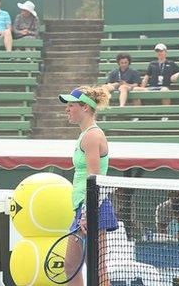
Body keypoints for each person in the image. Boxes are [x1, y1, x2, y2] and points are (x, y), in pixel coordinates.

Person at [59, 86, 118, 286]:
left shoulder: (92, 136)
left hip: (93, 208)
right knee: (71, 266)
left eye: (71, 105)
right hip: (85, 208)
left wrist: (86, 213)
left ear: (85, 108)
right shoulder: (85, 135)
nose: (67, 109)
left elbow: (95, 178)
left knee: (98, 269)